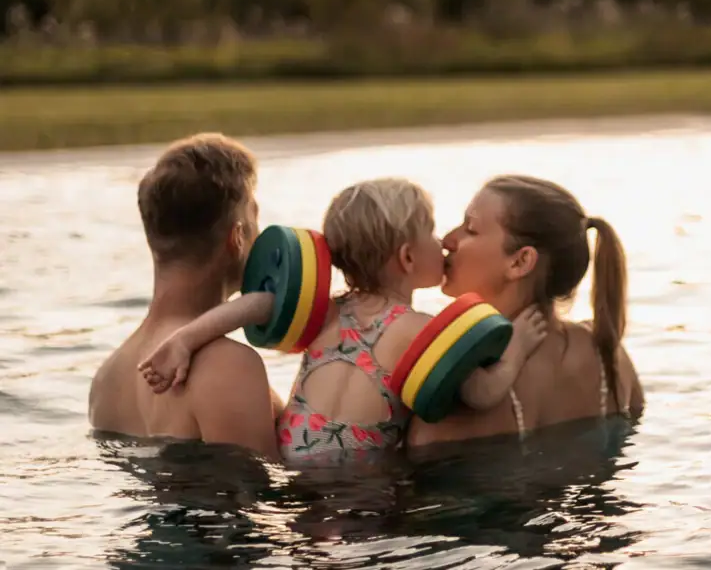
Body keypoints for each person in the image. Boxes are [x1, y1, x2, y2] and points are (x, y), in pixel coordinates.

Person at [137, 177, 549, 463]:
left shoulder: (325, 310)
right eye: (431, 233)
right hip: (360, 485)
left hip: (291, 466)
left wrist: (186, 339)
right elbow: (480, 393)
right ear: (407, 257)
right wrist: (517, 349)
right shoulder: (419, 329)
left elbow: (259, 303)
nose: (442, 242)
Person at [405, 174, 644, 452]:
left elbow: (419, 449)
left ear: (520, 262)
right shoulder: (609, 354)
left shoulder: (471, 382)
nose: (448, 240)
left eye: (470, 229)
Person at [88, 133, 281, 460]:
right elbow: (266, 502)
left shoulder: (107, 379)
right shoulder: (227, 366)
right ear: (237, 237)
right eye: (254, 217)